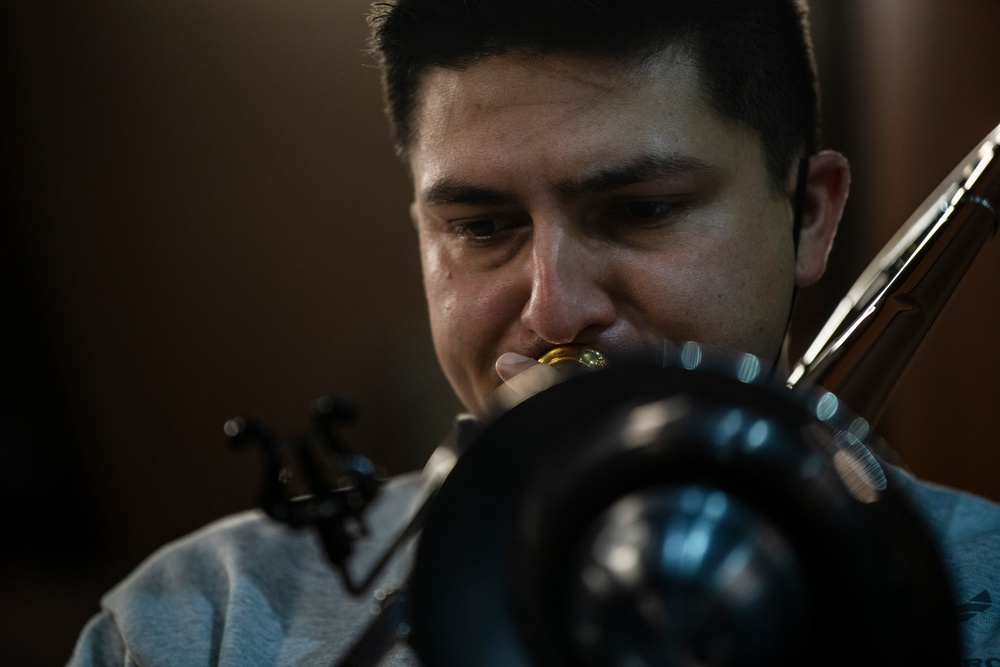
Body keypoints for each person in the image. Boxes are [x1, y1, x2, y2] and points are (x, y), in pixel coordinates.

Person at [68, 0, 1000, 665]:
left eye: (640, 209)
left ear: (809, 215)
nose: (553, 310)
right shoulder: (196, 620)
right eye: (479, 227)